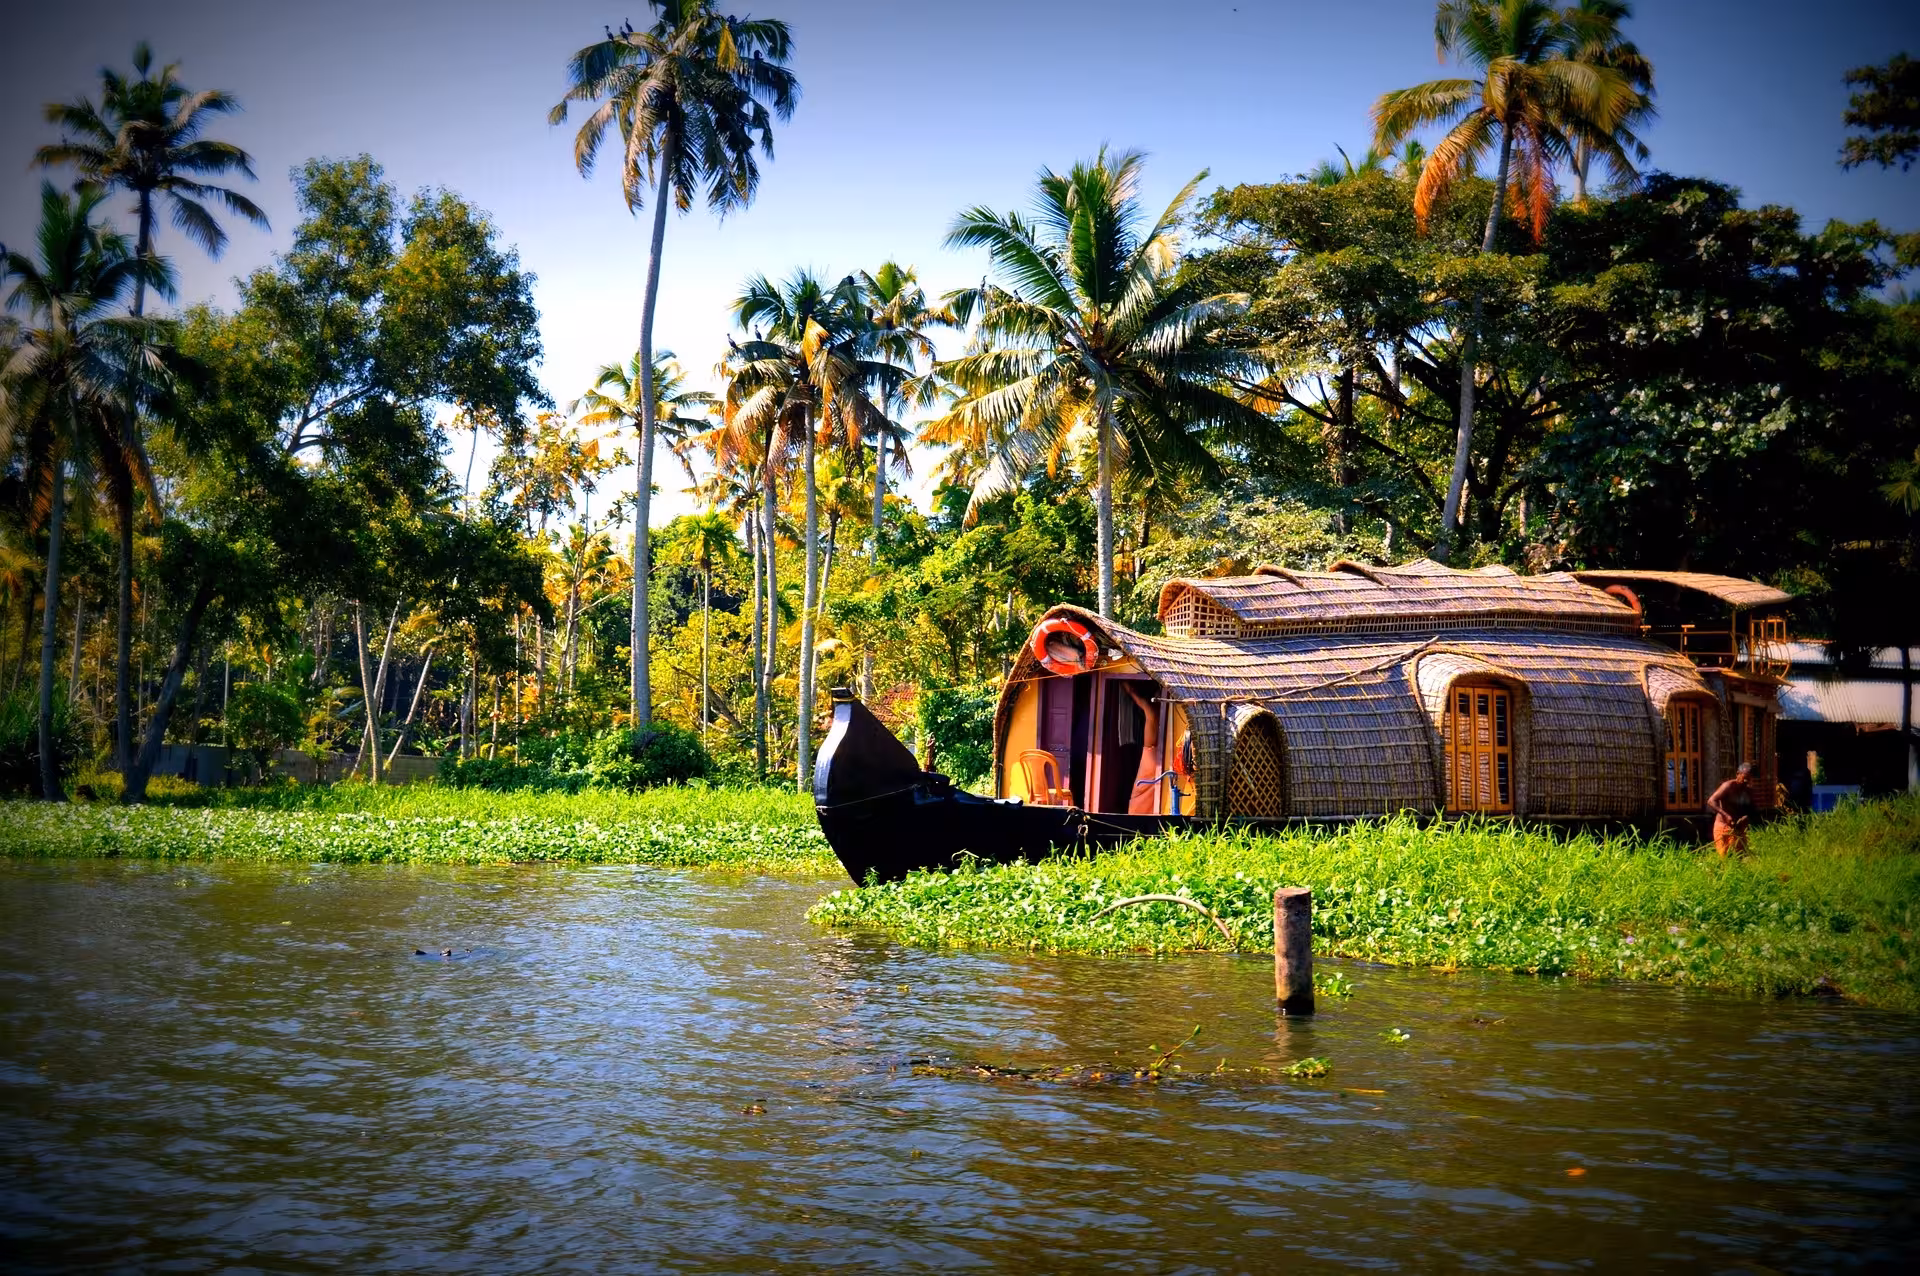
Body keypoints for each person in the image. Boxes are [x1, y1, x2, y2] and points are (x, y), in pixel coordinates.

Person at [1119, 683, 1164, 816]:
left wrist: (1128, 688)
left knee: (1140, 792)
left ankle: (1135, 816)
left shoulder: (1151, 712)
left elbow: (1139, 700)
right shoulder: (1164, 714)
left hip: (1150, 754)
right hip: (1159, 754)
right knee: (1151, 790)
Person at [1707, 762, 1755, 858]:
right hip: (1723, 826)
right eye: (1744, 777)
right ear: (1738, 774)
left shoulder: (1748, 790)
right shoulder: (1728, 786)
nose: (1745, 781)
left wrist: (1746, 818)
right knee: (1724, 857)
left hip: (1737, 828)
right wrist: (1726, 815)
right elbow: (1711, 801)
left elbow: (1751, 809)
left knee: (1740, 856)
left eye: (1748, 779)